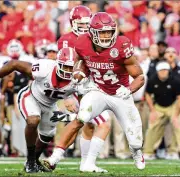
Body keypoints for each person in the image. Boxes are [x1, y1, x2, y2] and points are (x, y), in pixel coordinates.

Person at [44, 12, 145, 171]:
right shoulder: (82, 42)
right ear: (91, 33)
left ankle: (137, 152)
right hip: (98, 91)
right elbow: (83, 61)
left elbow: (139, 76)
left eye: (108, 32)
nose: (106, 36)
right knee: (81, 117)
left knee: (136, 141)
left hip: (120, 94)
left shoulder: (121, 45)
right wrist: (81, 72)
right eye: (102, 32)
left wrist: (129, 90)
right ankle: (55, 157)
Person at [0, 47, 86, 173]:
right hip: (31, 97)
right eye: (64, 66)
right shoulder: (44, 68)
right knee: (33, 121)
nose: (67, 71)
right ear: (57, 63)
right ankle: (31, 161)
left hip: (50, 105)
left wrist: (70, 109)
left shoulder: (78, 80)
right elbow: (14, 64)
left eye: (71, 67)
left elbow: (84, 107)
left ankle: (33, 161)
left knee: (47, 135)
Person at [57, 5, 112, 172]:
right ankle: (57, 157)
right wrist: (67, 95)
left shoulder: (93, 37)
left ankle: (84, 163)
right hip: (76, 89)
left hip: (92, 87)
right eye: (80, 23)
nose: (83, 27)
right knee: (101, 123)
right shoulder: (65, 40)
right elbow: (63, 70)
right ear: (73, 23)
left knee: (88, 125)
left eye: (86, 23)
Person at [143, 61, 180, 160]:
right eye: (161, 70)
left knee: (177, 126)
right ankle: (148, 152)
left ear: (168, 71)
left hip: (173, 105)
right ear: (157, 72)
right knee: (152, 127)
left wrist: (176, 116)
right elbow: (147, 94)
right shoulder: (152, 80)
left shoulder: (175, 81)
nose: (164, 72)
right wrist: (152, 111)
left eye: (166, 70)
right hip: (158, 107)